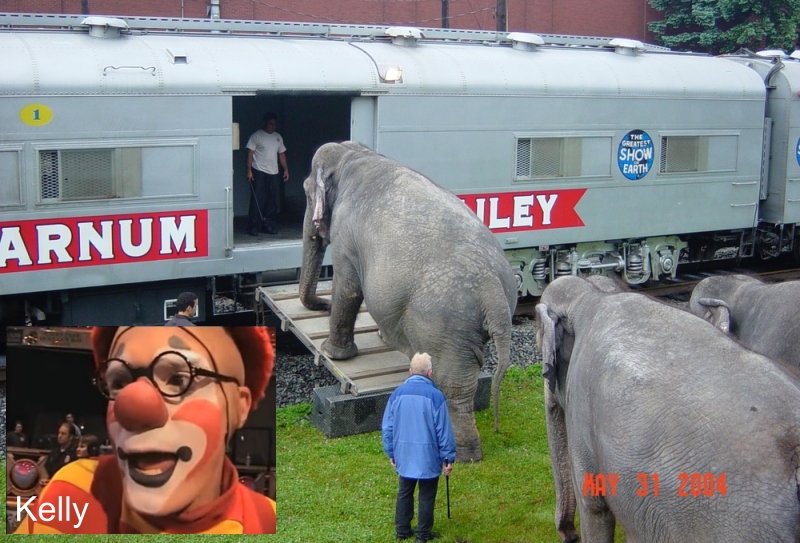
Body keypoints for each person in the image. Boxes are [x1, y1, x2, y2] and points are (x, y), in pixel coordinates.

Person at [14, 326, 276, 534]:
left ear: (240, 408)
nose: (134, 406)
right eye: (119, 382)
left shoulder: (269, 523)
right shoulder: (75, 490)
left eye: (178, 379)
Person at [382, 353, 456, 543]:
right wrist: (448, 458)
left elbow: (388, 426)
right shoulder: (436, 396)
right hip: (428, 455)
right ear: (430, 373)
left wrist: (391, 451)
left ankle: (402, 531)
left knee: (405, 491)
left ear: (410, 371)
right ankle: (423, 535)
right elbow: (443, 431)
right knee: (426, 494)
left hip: (403, 453)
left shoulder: (397, 394)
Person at [246, 112, 289, 236]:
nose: (272, 126)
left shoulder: (278, 137)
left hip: (273, 172)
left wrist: (285, 169)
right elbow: (249, 154)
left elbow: (281, 154)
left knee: (272, 201)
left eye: (274, 124)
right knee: (257, 199)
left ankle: (268, 225)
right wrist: (249, 170)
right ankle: (253, 226)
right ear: (265, 123)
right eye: (270, 124)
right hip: (259, 171)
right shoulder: (257, 136)